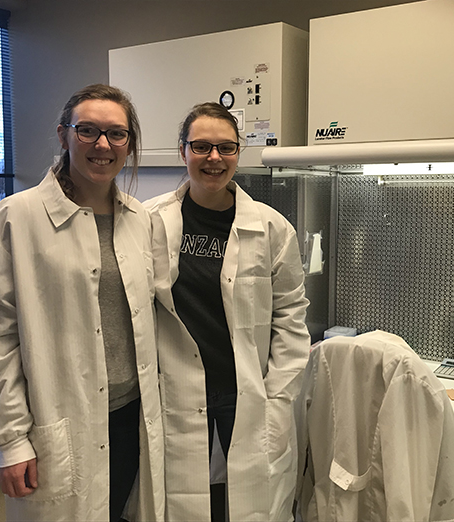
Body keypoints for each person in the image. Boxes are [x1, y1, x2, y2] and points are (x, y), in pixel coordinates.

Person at [0, 84, 164, 522]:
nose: (102, 145)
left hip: (132, 413)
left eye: (117, 134)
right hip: (59, 419)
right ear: (63, 135)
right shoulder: (16, 218)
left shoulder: (141, 220)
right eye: (87, 130)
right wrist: (11, 439)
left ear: (129, 144)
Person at [144, 102, 310, 521]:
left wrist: (277, 392)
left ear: (238, 153)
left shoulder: (272, 228)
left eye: (225, 147)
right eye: (201, 146)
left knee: (248, 498)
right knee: (184, 498)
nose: (214, 158)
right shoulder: (150, 221)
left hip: (246, 390)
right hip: (177, 389)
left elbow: (291, 317)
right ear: (182, 152)